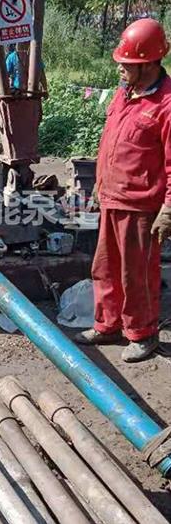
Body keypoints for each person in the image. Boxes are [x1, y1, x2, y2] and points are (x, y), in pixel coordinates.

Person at [75, 18, 171, 362]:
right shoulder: (123, 94)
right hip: (111, 198)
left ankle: (142, 334)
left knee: (137, 275)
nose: (121, 69)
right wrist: (99, 186)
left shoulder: (167, 105)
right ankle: (107, 324)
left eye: (128, 64)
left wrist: (168, 209)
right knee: (105, 268)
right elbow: (111, 144)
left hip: (142, 207)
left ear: (149, 63)